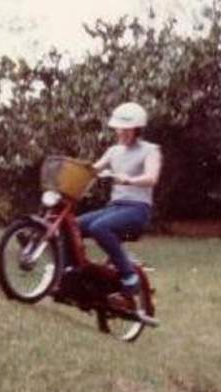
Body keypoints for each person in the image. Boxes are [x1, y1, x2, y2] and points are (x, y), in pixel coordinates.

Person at [79, 102, 162, 326]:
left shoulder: (150, 150)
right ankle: (74, 274)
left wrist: (129, 179)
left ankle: (129, 275)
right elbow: (92, 171)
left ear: (137, 129)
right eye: (118, 128)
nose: (121, 133)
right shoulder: (113, 151)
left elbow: (152, 177)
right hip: (115, 207)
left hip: (137, 209)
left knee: (99, 228)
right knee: (73, 225)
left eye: (126, 129)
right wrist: (74, 173)